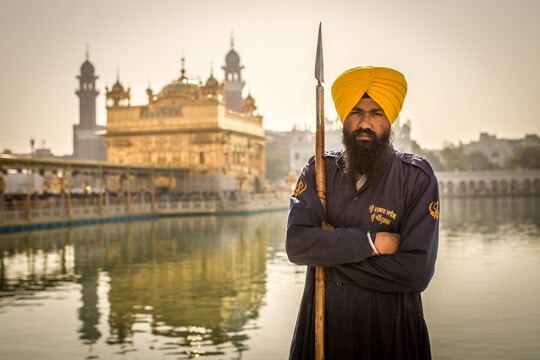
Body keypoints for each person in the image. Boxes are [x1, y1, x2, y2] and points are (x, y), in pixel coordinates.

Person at [286, 66, 439, 359]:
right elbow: (296, 245)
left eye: (377, 113)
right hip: (324, 330)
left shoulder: (415, 177)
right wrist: (373, 243)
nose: (365, 123)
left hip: (390, 331)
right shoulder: (320, 170)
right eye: (356, 112)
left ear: (390, 120)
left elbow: (415, 273)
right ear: (344, 119)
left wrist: (328, 253)